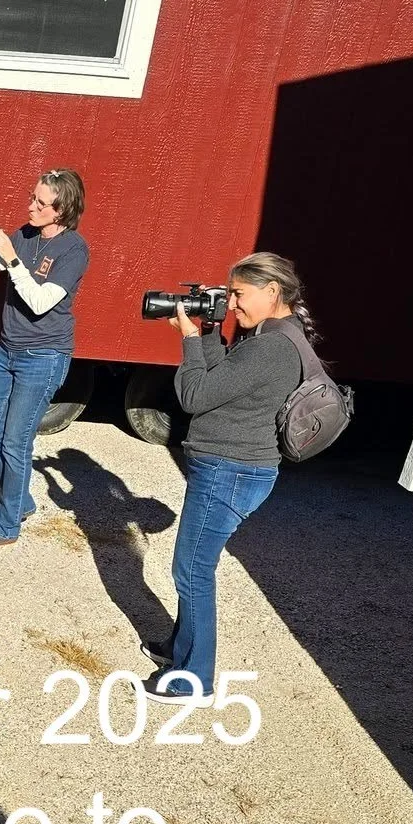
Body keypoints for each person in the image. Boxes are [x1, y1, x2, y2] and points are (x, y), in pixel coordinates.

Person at [145, 252, 311, 701]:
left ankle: (194, 677)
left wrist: (188, 340)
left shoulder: (272, 348)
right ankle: (182, 649)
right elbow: (225, 380)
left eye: (239, 294)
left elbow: (195, 394)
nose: (233, 302)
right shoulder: (273, 336)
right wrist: (213, 330)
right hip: (228, 467)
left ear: (272, 291)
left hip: (229, 471)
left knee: (193, 569)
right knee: (194, 565)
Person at [0, 168, 90, 549]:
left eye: (40, 202)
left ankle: (6, 526)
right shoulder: (25, 235)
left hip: (44, 357)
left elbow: (39, 302)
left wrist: (12, 260)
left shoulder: (74, 250)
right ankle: (20, 501)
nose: (30, 206)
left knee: (15, 443)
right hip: (7, 351)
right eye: (32, 197)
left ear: (62, 210)